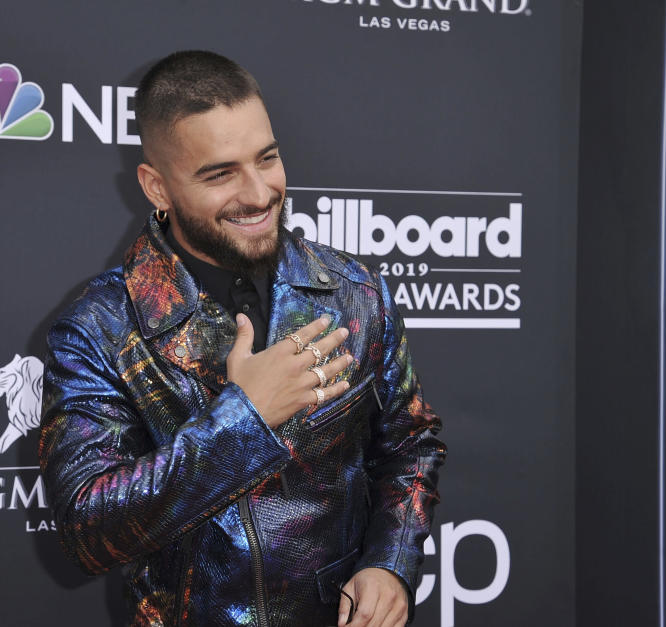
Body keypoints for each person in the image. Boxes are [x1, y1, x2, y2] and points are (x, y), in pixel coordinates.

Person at [39, 50, 445, 627]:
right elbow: (88, 532)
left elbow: (410, 445)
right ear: (157, 187)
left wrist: (391, 561)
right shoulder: (99, 329)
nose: (258, 194)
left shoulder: (355, 293)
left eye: (268, 158)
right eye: (219, 173)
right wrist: (245, 419)